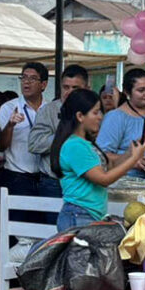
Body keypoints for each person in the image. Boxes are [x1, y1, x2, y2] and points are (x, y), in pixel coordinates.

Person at [43, 89, 145, 290]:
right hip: (79, 218)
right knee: (88, 284)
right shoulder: (74, 147)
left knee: (87, 283)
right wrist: (132, 160)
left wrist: (130, 154)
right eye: (96, 112)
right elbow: (103, 178)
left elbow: (108, 163)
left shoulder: (85, 144)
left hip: (88, 218)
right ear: (80, 116)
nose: (101, 117)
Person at [97, 68, 145, 179]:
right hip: (132, 183)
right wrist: (131, 161)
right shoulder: (116, 117)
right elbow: (102, 156)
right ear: (127, 92)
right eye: (141, 90)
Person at [29, 66, 92, 201]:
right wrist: (63, 135)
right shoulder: (48, 110)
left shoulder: (94, 111)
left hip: (86, 181)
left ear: (87, 88)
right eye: (66, 87)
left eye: (75, 88)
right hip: (54, 183)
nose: (69, 92)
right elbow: (34, 144)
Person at [0, 63, 51, 212]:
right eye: (24, 77)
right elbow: (1, 146)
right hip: (17, 177)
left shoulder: (50, 109)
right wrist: (10, 126)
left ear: (43, 84)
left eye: (32, 78)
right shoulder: (9, 108)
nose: (26, 82)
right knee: (17, 222)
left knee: (41, 222)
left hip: (44, 178)